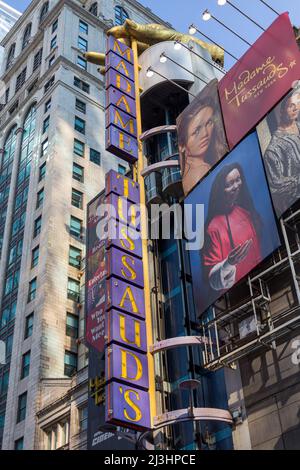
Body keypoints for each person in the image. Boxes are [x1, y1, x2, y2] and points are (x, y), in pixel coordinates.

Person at [203, 163, 262, 294]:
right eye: (229, 184)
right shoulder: (213, 227)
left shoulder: (245, 213)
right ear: (220, 190)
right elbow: (212, 279)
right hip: (237, 293)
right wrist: (229, 263)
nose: (236, 186)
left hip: (260, 279)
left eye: (238, 180)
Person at [177, 93, 228, 196]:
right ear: (182, 146)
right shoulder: (203, 170)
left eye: (209, 122)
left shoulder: (186, 177)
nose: (205, 134)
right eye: (196, 131)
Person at [263, 91, 300, 216]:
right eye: (290, 106)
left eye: (297, 104)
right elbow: (276, 186)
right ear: (281, 111)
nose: (295, 108)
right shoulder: (273, 149)